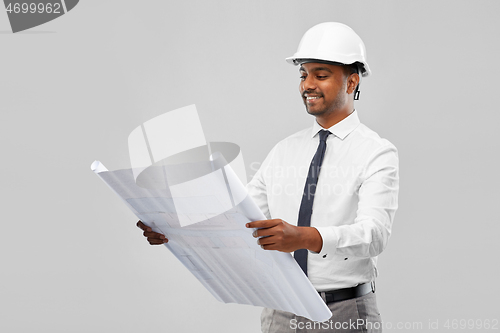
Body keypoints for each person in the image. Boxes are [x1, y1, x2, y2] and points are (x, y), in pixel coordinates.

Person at [137, 22, 399, 332]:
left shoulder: (377, 152)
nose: (307, 84)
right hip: (282, 309)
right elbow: (237, 220)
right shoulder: (284, 151)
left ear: (352, 81)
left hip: (344, 312)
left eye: (321, 75)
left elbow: (374, 234)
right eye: (303, 75)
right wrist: (174, 231)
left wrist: (305, 237)